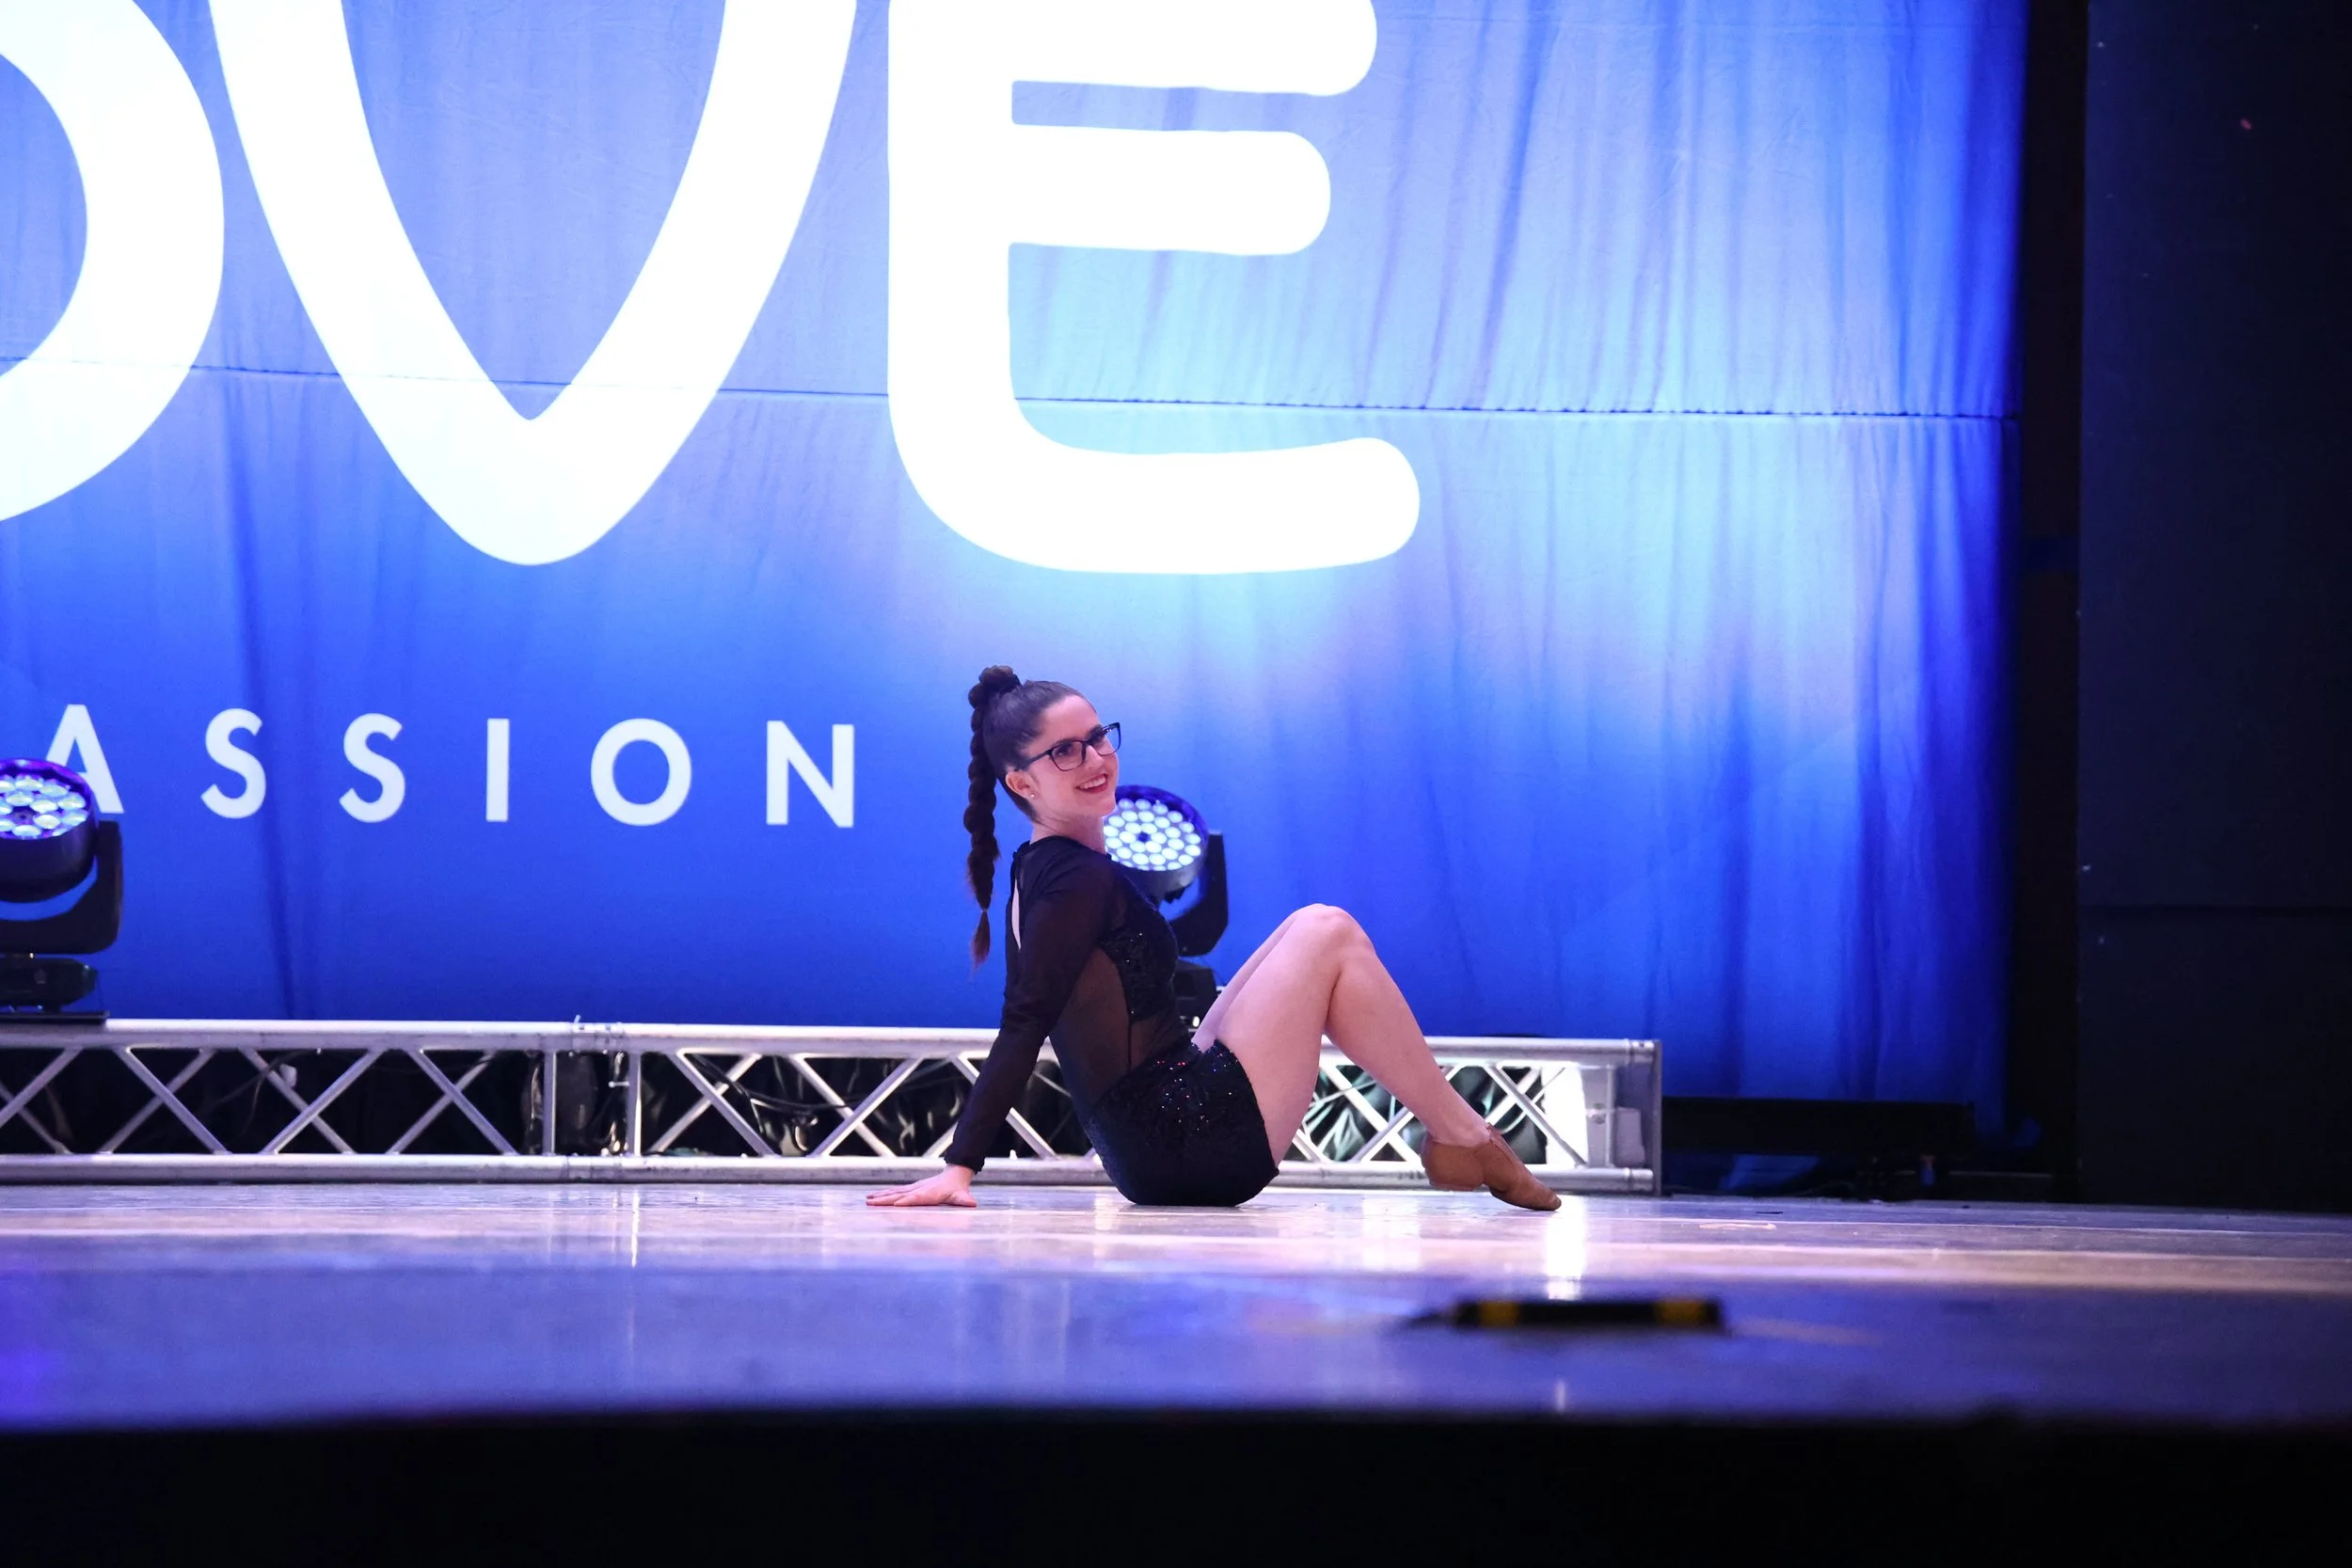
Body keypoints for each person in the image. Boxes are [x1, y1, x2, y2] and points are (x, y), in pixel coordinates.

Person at [866, 667, 1558, 1212]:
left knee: (1312, 928)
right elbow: (1026, 1018)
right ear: (1021, 781)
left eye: (1099, 735)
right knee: (1328, 931)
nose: (1096, 757)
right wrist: (962, 1163)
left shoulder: (1043, 865)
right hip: (1188, 1144)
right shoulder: (1075, 881)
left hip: (1156, 1128)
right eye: (1066, 751)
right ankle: (1466, 1137)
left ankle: (1461, 1137)